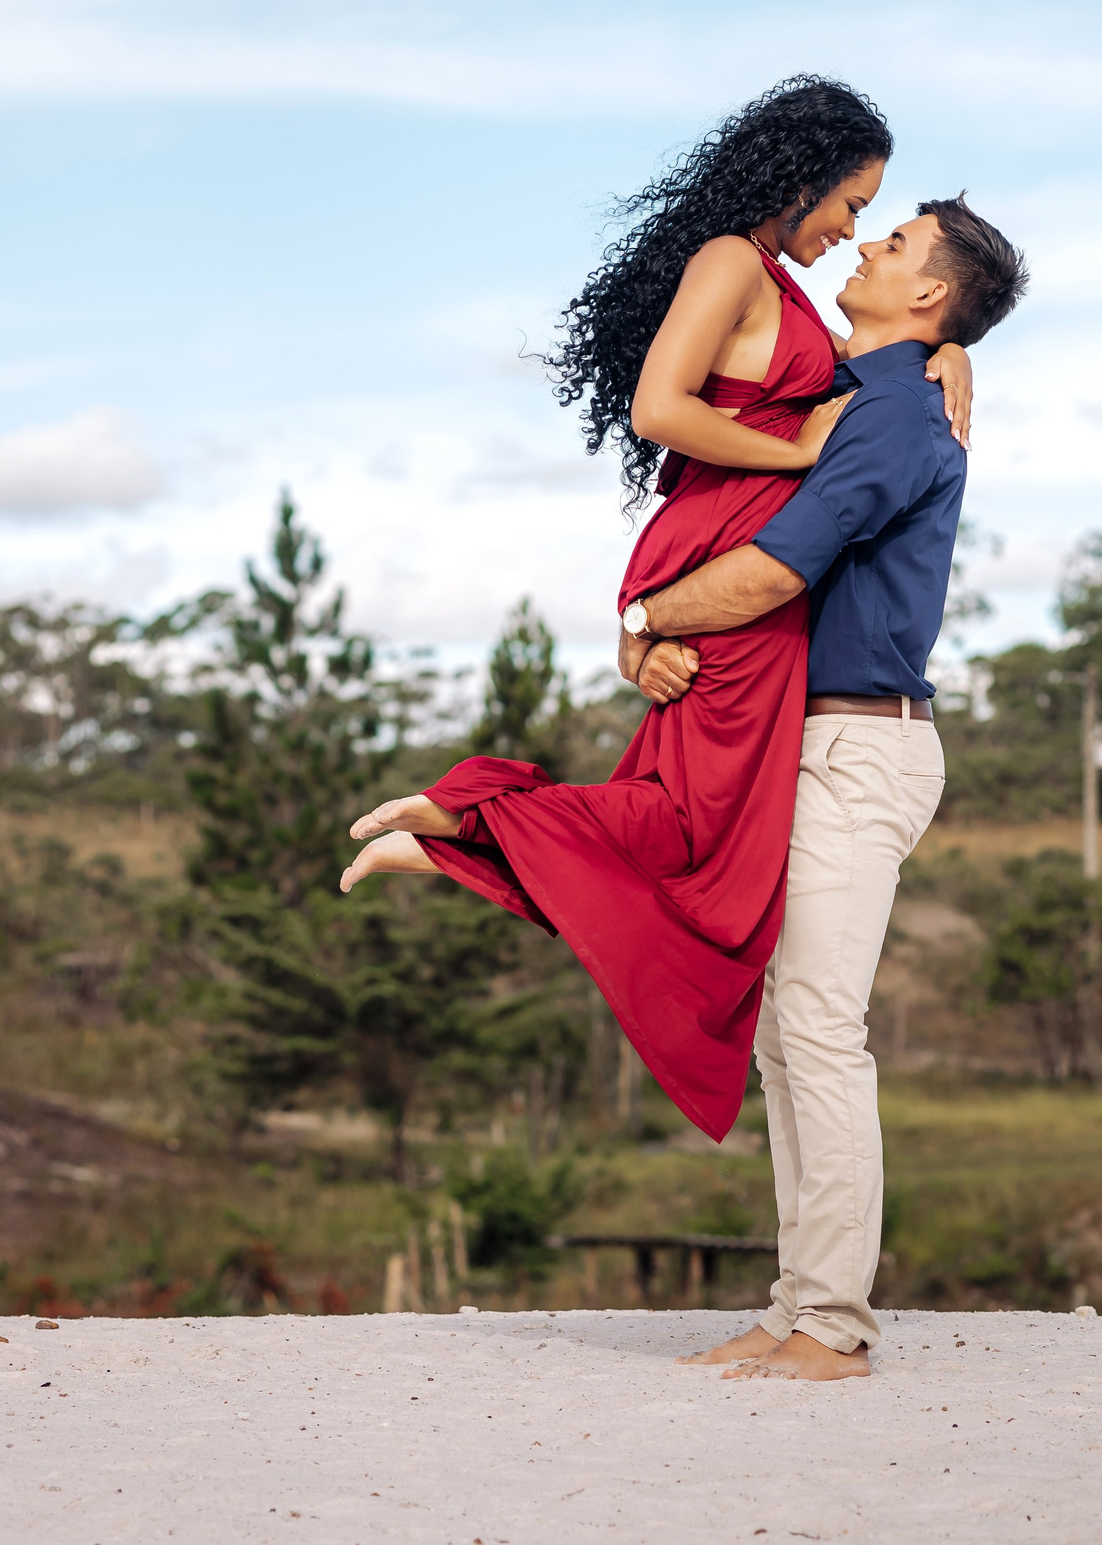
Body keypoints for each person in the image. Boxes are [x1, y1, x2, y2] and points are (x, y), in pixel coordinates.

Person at [338, 77, 973, 1145]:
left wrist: (948, 352)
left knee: (694, 817)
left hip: (727, 553)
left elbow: (866, 376)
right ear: (802, 175)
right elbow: (660, 409)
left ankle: (460, 842)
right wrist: (793, 455)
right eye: (853, 206)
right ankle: (463, 823)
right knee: (697, 829)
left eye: (873, 220)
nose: (853, 230)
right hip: (728, 551)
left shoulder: (779, 285)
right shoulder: (731, 260)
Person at [638, 196, 1027, 1380]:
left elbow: (769, 575)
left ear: (926, 298)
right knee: (787, 1036)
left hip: (859, 748)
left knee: (816, 1028)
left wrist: (644, 616)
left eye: (894, 240)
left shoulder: (897, 418)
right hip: (807, 742)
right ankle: (798, 1303)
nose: (865, 241)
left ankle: (834, 1326)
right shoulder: (872, 396)